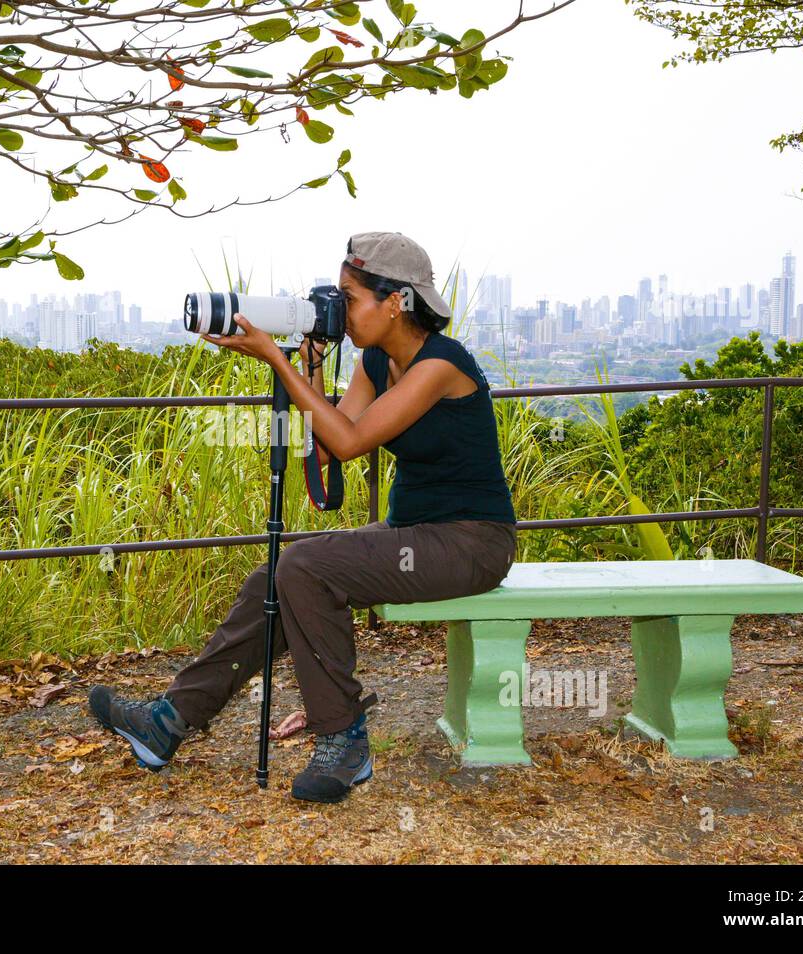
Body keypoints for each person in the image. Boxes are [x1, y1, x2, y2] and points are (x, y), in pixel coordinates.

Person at [88, 231, 518, 803]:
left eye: (350, 296)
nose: (339, 309)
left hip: (472, 543)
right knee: (274, 578)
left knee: (305, 565)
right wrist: (309, 364)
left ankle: (344, 738)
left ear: (395, 302)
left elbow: (352, 439)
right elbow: (323, 447)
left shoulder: (442, 364)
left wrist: (275, 358)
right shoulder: (373, 360)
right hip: (411, 534)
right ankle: (169, 720)